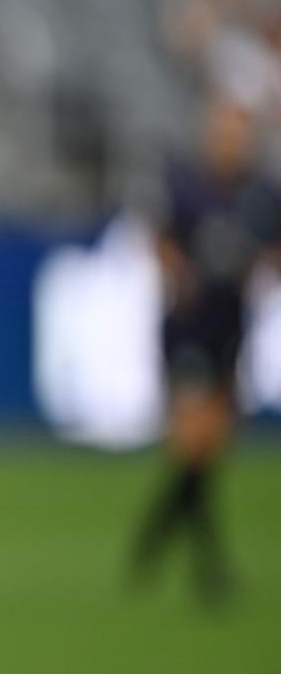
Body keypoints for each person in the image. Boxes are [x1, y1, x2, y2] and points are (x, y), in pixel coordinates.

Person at [131, 95, 281, 602]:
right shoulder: (185, 185)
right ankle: (207, 568)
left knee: (207, 453)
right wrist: (182, 276)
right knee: (194, 443)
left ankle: (151, 543)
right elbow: (159, 239)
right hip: (189, 327)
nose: (230, 142)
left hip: (230, 328)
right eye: (223, 131)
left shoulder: (259, 193)